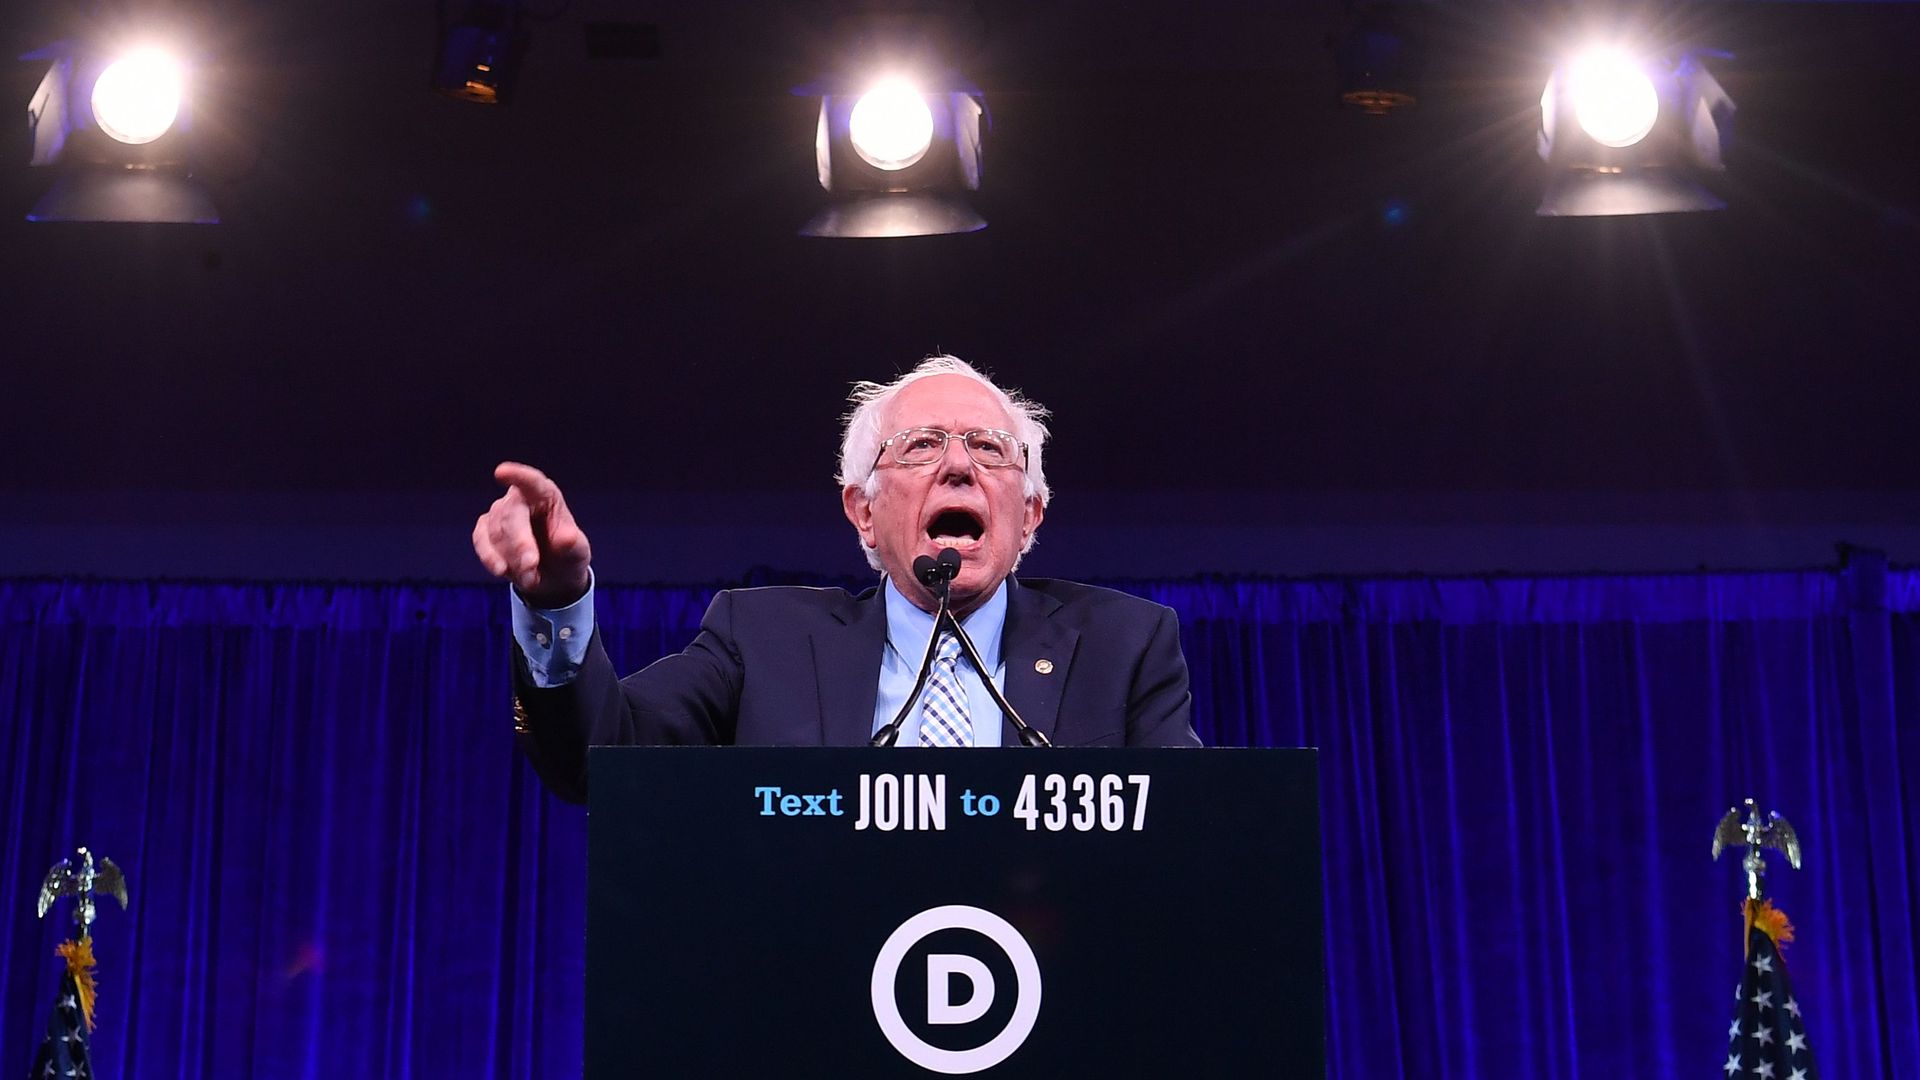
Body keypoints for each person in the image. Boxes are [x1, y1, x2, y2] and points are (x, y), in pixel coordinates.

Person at [473, 356, 1199, 802]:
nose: (958, 465)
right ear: (862, 511)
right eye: (920, 446)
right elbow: (601, 763)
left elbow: (1191, 841)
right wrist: (555, 601)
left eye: (988, 447)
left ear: (1031, 513)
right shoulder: (759, 643)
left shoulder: (1124, 645)